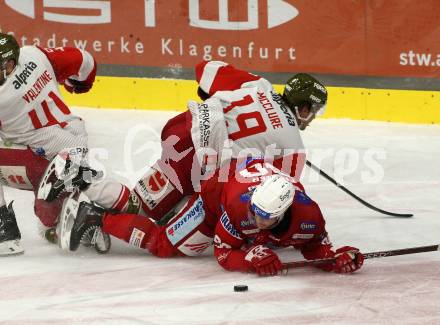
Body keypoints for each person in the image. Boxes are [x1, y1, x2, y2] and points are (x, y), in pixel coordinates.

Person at [44, 60, 328, 235]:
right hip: (195, 157)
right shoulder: (293, 146)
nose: (313, 117)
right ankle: (77, 177)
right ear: (303, 107)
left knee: (178, 204)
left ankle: (88, 201)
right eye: (314, 110)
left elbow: (206, 69)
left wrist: (215, 100)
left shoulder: (259, 84)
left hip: (183, 128)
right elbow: (276, 197)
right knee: (149, 211)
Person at [58, 159, 364, 276]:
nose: (255, 219)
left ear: (283, 211)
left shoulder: (310, 217)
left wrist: (334, 258)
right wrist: (248, 258)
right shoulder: (238, 206)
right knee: (165, 245)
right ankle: (95, 217)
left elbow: (312, 246)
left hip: (239, 176)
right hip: (214, 197)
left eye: (265, 217)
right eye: (254, 211)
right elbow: (222, 252)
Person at [0, 33, 131, 255]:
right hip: (74, 139)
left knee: (53, 216)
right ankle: (136, 207)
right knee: (60, 209)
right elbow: (85, 60)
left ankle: (4, 229)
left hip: (43, 160)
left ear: (11, 63)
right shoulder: (35, 54)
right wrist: (79, 84)